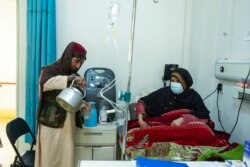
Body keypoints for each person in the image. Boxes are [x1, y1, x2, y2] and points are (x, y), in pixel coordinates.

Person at [35, 41, 88, 167]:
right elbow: (45, 84)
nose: (78, 66)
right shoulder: (49, 70)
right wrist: (71, 79)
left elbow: (71, 96)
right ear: (68, 56)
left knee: (65, 159)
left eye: (81, 63)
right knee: (49, 159)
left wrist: (82, 103)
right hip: (50, 126)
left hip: (67, 125)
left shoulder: (73, 74)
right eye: (76, 61)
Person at [136, 67, 210, 128]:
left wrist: (183, 119)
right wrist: (140, 121)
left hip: (181, 129)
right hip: (160, 126)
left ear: (185, 83)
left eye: (178, 81)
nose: (174, 84)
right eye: (172, 81)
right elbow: (142, 102)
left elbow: (203, 116)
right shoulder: (164, 91)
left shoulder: (193, 96)